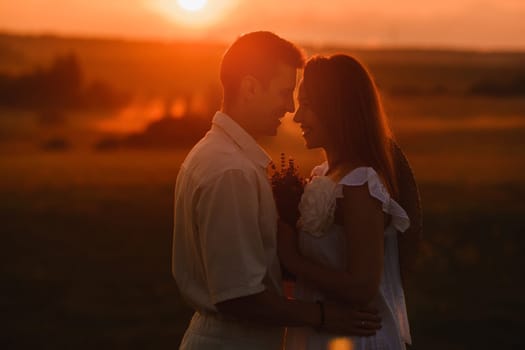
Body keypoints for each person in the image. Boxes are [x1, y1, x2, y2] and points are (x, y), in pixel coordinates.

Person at [172, 32, 381, 350]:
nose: (289, 108)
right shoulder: (232, 172)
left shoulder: (217, 155)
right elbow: (238, 298)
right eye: (285, 93)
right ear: (251, 87)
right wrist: (322, 315)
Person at [278, 54, 421, 349]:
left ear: (336, 110)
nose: (297, 117)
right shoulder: (323, 175)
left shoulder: (359, 183)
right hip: (322, 333)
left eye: (307, 105)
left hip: (355, 339)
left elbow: (363, 286)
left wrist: (293, 260)